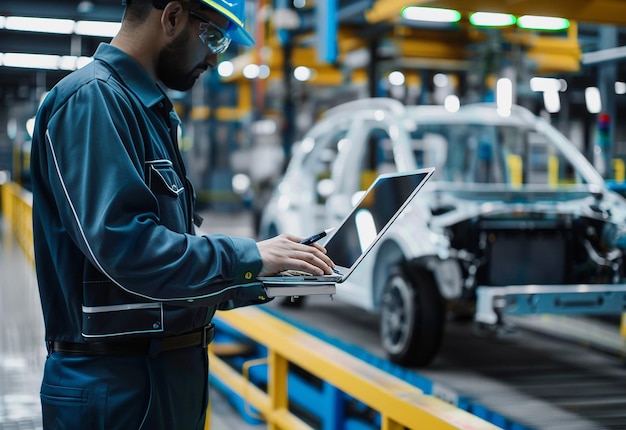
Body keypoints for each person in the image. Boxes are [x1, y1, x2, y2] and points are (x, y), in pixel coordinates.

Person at [29, 1, 335, 429]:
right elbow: (126, 250)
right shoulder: (92, 101)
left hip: (164, 378)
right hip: (117, 388)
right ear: (172, 16)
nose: (214, 58)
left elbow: (170, 273)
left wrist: (271, 275)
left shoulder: (149, 112)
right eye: (213, 37)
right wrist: (247, 257)